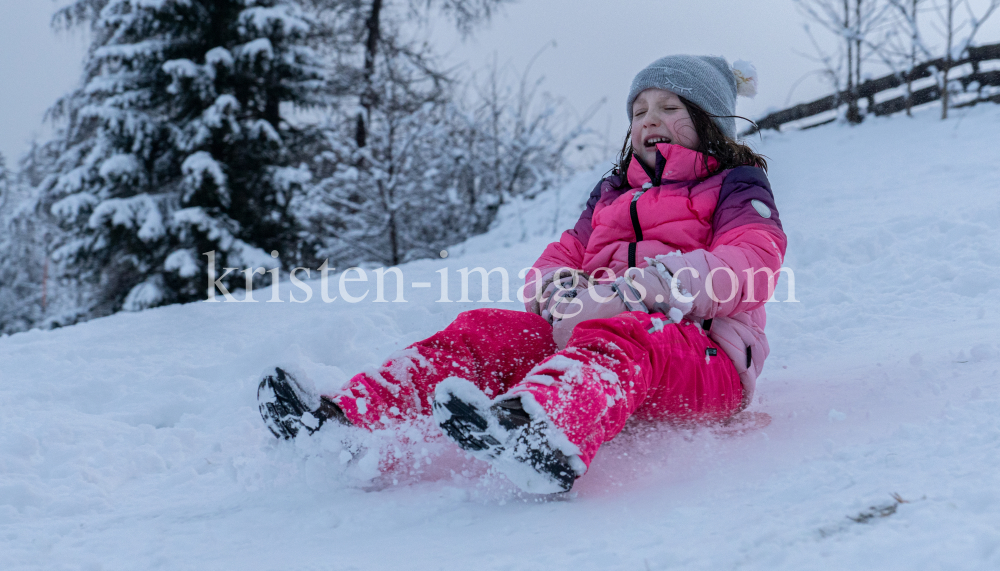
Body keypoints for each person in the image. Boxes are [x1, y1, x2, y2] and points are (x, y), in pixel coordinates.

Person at [257, 55, 786, 494]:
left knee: (631, 333)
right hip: (594, 338)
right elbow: (561, 256)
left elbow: (751, 263)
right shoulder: (610, 194)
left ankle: (545, 437)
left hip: (705, 360)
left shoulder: (735, 186)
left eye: (670, 108)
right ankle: (350, 426)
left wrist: (638, 291)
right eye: (640, 109)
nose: (649, 118)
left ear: (710, 123)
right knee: (483, 331)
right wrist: (561, 291)